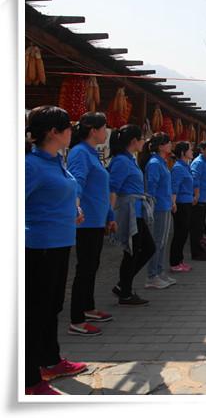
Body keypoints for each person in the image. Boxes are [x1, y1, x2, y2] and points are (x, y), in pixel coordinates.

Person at [25, 106, 87, 395]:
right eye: (68, 127)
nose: (72, 132)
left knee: (52, 307)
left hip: (60, 243)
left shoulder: (57, 161)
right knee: (35, 312)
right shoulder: (31, 165)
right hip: (40, 247)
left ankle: (50, 360)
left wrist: (72, 211)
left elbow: (57, 194)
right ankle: (29, 380)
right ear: (54, 132)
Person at [66, 112, 116, 337]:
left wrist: (109, 214)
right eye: (104, 128)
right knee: (85, 268)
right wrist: (76, 207)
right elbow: (77, 182)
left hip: (96, 219)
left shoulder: (92, 153)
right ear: (93, 130)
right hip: (85, 221)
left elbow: (101, 190)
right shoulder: (80, 152)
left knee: (92, 266)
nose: (106, 132)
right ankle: (77, 319)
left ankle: (88, 307)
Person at [109, 124, 156, 306]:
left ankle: (123, 285)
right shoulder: (121, 161)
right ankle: (125, 292)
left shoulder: (130, 159)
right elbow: (113, 189)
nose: (144, 142)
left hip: (137, 211)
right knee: (131, 252)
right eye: (142, 138)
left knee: (146, 248)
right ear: (134, 141)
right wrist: (110, 216)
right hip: (129, 212)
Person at [141, 132, 176, 289]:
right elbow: (151, 187)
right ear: (161, 146)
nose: (170, 145)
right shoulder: (155, 163)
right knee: (157, 241)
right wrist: (152, 206)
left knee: (162, 241)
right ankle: (152, 275)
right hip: (158, 207)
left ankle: (159, 271)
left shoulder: (162, 162)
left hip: (165, 205)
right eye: (168, 142)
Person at [169, 141, 195, 272]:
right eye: (190, 149)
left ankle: (180, 260)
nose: (192, 151)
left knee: (184, 233)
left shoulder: (186, 166)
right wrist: (173, 202)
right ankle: (174, 262)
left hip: (187, 202)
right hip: (180, 204)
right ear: (183, 152)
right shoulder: (178, 168)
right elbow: (174, 187)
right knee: (180, 233)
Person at [190, 140, 206, 260]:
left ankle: (200, 249)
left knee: (200, 227)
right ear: (202, 150)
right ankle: (196, 253)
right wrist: (196, 195)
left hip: (204, 198)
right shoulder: (198, 162)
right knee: (196, 227)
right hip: (198, 199)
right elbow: (195, 180)